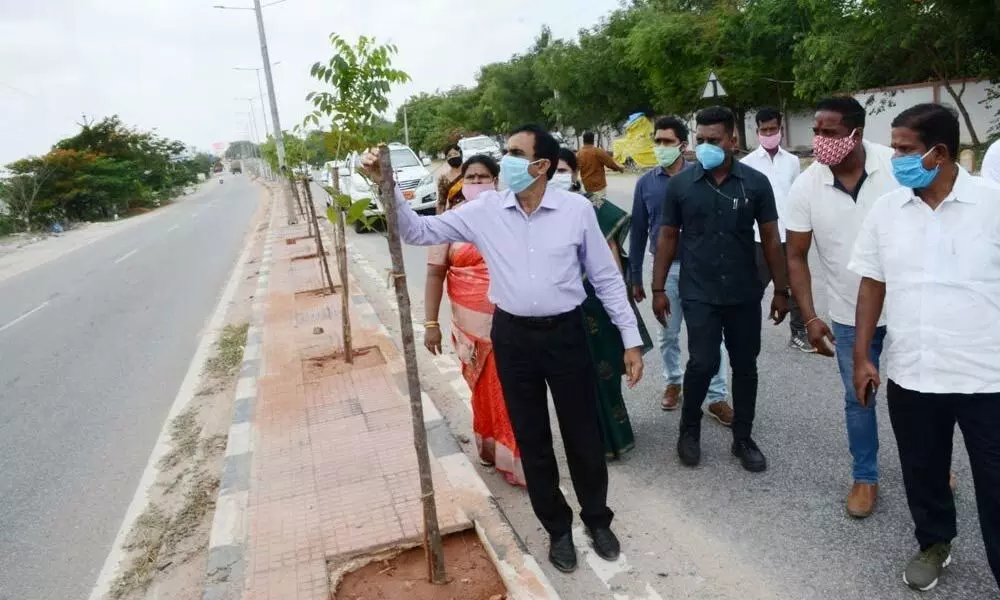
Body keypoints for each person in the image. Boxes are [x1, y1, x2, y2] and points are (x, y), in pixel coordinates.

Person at [363, 124, 645, 574]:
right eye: (505, 151)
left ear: (542, 165)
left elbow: (607, 278)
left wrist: (630, 339)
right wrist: (387, 185)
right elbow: (416, 232)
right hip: (513, 336)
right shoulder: (486, 211)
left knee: (582, 434)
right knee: (532, 438)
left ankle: (597, 519)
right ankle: (557, 528)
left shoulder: (574, 210)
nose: (505, 159)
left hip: (567, 334)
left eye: (515, 152)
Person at [850, 103, 1000, 593]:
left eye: (904, 149)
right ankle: (935, 542)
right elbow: (872, 283)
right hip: (913, 374)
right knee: (923, 471)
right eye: (893, 147)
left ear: (939, 152)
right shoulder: (887, 210)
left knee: (996, 486)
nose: (895, 159)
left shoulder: (992, 204)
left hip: (987, 377)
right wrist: (863, 355)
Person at [651, 106, 789, 473]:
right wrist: (658, 287)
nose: (706, 146)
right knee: (702, 362)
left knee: (745, 365)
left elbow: (773, 239)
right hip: (699, 292)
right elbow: (667, 236)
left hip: (744, 291)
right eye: (701, 140)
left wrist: (781, 290)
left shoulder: (756, 184)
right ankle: (689, 431)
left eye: (714, 140)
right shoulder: (681, 185)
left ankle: (742, 437)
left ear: (733, 140)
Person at [784, 96, 900, 518]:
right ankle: (865, 477)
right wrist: (810, 317)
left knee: (922, 399)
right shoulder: (806, 184)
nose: (819, 140)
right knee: (859, 398)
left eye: (828, 132)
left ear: (856, 132)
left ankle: (933, 467)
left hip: (907, 309)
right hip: (850, 313)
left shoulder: (895, 168)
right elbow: (796, 255)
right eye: (816, 131)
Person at [423, 155, 525, 487]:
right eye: (471, 177)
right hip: (469, 328)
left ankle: (517, 459)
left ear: (497, 181)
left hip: (510, 322)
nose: (477, 183)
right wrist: (430, 324)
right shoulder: (448, 224)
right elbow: (435, 274)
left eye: (484, 177)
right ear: (461, 183)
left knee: (512, 392)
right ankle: (490, 446)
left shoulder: (511, 219)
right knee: (481, 390)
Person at [629, 116, 732, 422]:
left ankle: (716, 397)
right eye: (657, 141)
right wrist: (636, 275)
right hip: (667, 272)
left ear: (683, 146)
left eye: (667, 142)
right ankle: (673, 383)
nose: (661, 147)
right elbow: (638, 229)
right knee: (668, 334)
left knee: (712, 336)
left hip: (702, 270)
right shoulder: (646, 183)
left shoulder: (703, 177)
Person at [554, 147, 654, 459]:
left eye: (563, 170)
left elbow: (610, 262)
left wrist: (618, 302)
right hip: (561, 307)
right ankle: (587, 440)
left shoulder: (593, 207)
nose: (558, 177)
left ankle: (615, 437)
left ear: (574, 173)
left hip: (597, 302)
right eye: (551, 171)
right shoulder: (540, 212)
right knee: (574, 379)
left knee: (606, 371)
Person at [741, 107, 809, 351]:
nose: (769, 133)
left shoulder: (791, 162)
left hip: (790, 234)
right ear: (757, 131)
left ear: (780, 129)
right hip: (759, 238)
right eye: (764, 130)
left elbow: (796, 196)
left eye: (773, 129)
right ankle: (745, 333)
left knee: (796, 285)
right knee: (752, 288)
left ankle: (799, 333)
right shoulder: (747, 164)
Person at [576, 131, 624, 200]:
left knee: (591, 206)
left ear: (583, 141)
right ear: (593, 140)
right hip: (599, 186)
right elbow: (610, 163)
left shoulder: (579, 154)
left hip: (587, 186)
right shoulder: (598, 151)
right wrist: (619, 169)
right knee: (599, 206)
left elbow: (575, 169)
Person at [436, 143, 464, 211]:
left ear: (461, 154)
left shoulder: (470, 172)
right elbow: (441, 203)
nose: (453, 157)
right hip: (454, 215)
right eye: (449, 155)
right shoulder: (443, 178)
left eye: (455, 154)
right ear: (447, 159)